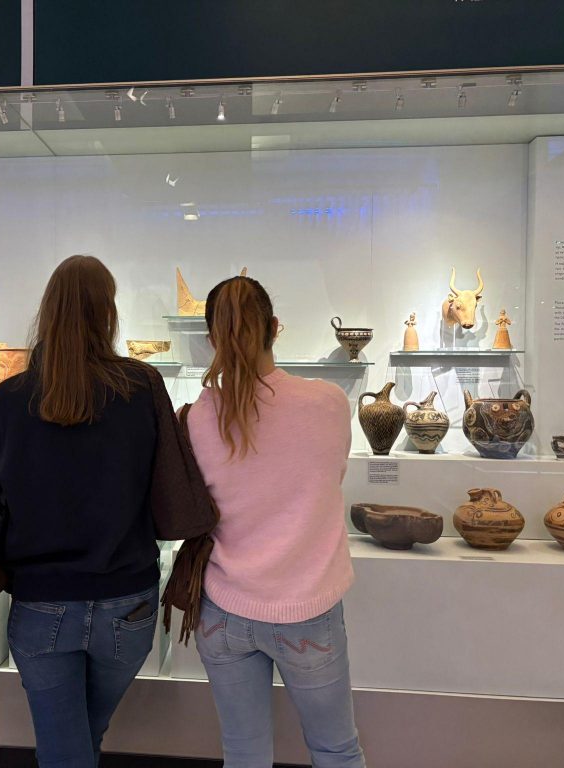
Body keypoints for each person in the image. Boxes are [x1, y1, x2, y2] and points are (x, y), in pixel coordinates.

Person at [0, 255, 166, 768]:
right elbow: (163, 482)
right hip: (127, 598)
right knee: (84, 735)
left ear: (48, 311)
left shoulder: (12, 397)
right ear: (108, 312)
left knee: (66, 744)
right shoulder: (142, 386)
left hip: (43, 598)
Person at [185, 276, 367, 768]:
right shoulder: (328, 402)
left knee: (244, 755)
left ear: (212, 338)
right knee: (336, 750)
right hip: (307, 610)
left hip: (223, 610)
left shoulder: (200, 415)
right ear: (275, 327)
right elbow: (331, 477)